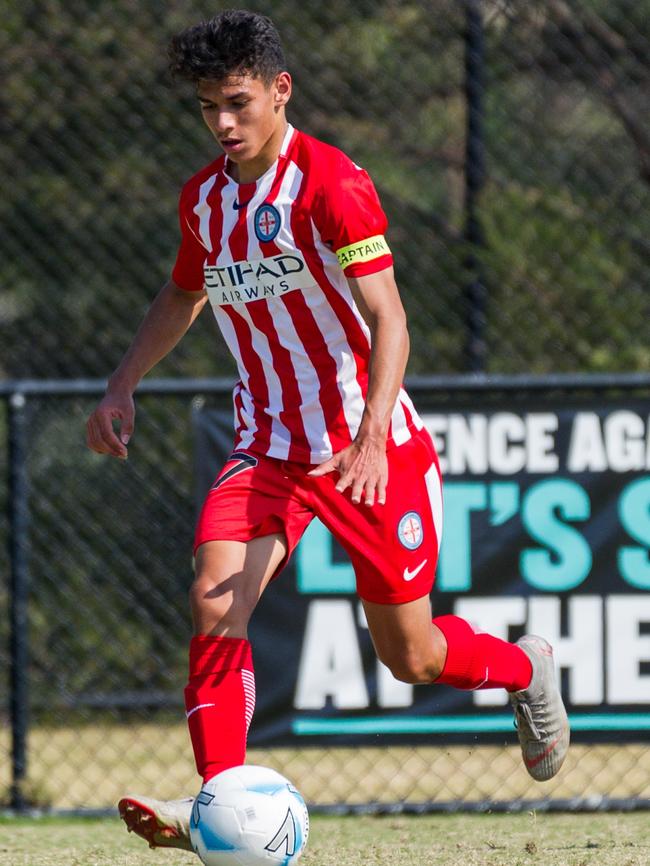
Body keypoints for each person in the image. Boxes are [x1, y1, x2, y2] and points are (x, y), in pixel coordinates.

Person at [86, 9, 570, 851]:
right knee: (212, 603)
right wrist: (122, 383)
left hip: (364, 452)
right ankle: (221, 802)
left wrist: (374, 436)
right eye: (208, 108)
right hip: (268, 447)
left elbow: (390, 320)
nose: (223, 124)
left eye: (237, 103)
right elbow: (182, 293)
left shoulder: (330, 182)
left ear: (282, 91)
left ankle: (526, 669)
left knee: (411, 657)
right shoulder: (204, 200)